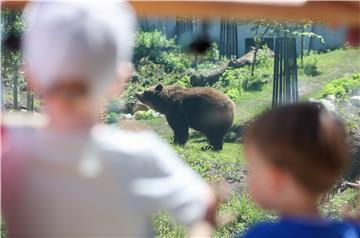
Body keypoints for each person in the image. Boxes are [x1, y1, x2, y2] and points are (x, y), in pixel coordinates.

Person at [1, 1, 216, 237]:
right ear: (120, 80)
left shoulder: (13, 150)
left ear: (30, 77)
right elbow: (204, 207)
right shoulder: (142, 153)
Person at [240, 103, 360, 238]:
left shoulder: (263, 234)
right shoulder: (350, 232)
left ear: (275, 178)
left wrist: (209, 224)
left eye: (252, 169)